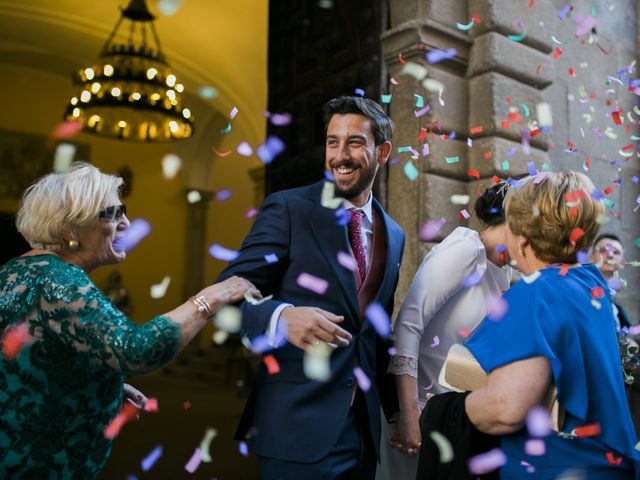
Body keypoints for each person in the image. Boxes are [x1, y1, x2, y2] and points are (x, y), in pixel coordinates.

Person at [0, 163, 259, 479]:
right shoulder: (61, 281)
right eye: (111, 213)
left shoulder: (15, 271)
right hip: (41, 465)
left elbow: (31, 356)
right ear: (69, 228)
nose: (127, 223)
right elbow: (136, 350)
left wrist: (102, 381)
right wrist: (211, 297)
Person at [217, 96, 405, 479]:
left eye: (354, 142)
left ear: (382, 152)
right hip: (295, 427)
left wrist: (399, 409)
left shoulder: (395, 234)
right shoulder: (288, 209)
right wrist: (280, 318)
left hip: (362, 432)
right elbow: (224, 298)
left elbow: (375, 331)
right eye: (332, 142)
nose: (340, 155)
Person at [418, 171, 640, 479]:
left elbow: (506, 409)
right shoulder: (589, 282)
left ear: (522, 240)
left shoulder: (536, 291)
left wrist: (443, 408)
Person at [377, 182, 512, 480]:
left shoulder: (506, 272)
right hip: (417, 413)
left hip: (451, 420)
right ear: (513, 218)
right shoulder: (466, 250)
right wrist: (410, 414)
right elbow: (408, 326)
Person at [589, 233, 630, 331]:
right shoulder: (578, 295)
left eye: (616, 252)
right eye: (603, 250)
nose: (610, 255)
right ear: (591, 258)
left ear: (622, 261)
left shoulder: (619, 313)